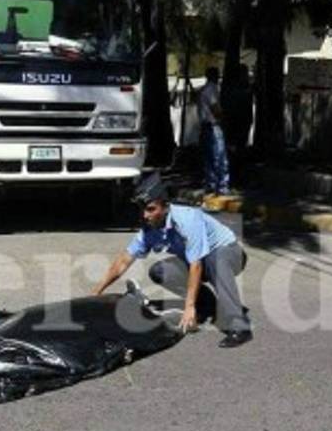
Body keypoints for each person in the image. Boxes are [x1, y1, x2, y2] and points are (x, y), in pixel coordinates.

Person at [93, 173, 253, 348]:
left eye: (151, 209)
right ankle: (207, 305)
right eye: (143, 209)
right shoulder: (150, 229)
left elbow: (196, 265)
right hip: (200, 261)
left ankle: (240, 326)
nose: (145, 215)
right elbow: (124, 260)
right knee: (160, 271)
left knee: (216, 260)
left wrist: (188, 307)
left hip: (230, 254)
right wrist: (97, 291)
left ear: (166, 207)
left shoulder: (187, 219)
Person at [198, 66, 231, 195]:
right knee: (220, 156)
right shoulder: (212, 89)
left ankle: (210, 184)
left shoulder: (203, 90)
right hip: (213, 126)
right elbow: (215, 108)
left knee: (209, 158)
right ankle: (222, 186)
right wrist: (223, 119)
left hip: (205, 126)